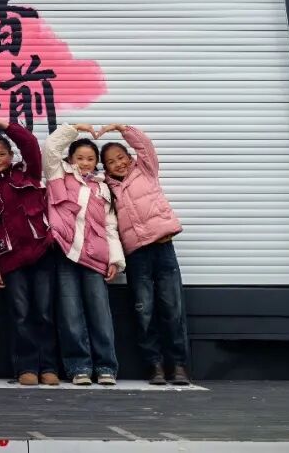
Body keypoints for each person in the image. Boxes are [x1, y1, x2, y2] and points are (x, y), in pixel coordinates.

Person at [98, 123, 190, 385]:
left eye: (121, 158)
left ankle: (179, 366)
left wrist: (122, 128)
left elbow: (145, 146)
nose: (118, 164)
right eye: (111, 162)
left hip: (163, 248)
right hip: (137, 256)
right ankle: (155, 366)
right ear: (106, 168)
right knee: (144, 311)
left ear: (130, 158)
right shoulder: (107, 188)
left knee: (172, 308)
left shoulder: (146, 171)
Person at [0, 109, 60, 386]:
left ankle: (49, 366)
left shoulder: (28, 172)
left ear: (11, 155)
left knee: (44, 312)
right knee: (21, 314)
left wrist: (3, 125)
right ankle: (26, 367)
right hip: (11, 259)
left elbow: (30, 144)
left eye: (2, 154)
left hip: (41, 252)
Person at [44, 123, 124, 386]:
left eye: (90, 159)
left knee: (100, 313)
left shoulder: (102, 187)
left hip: (95, 258)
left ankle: (106, 367)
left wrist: (115, 260)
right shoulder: (58, 175)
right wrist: (74, 129)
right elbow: (51, 148)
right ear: (70, 159)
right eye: (80, 158)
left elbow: (110, 226)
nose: (85, 163)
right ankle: (79, 367)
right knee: (70, 313)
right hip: (66, 254)